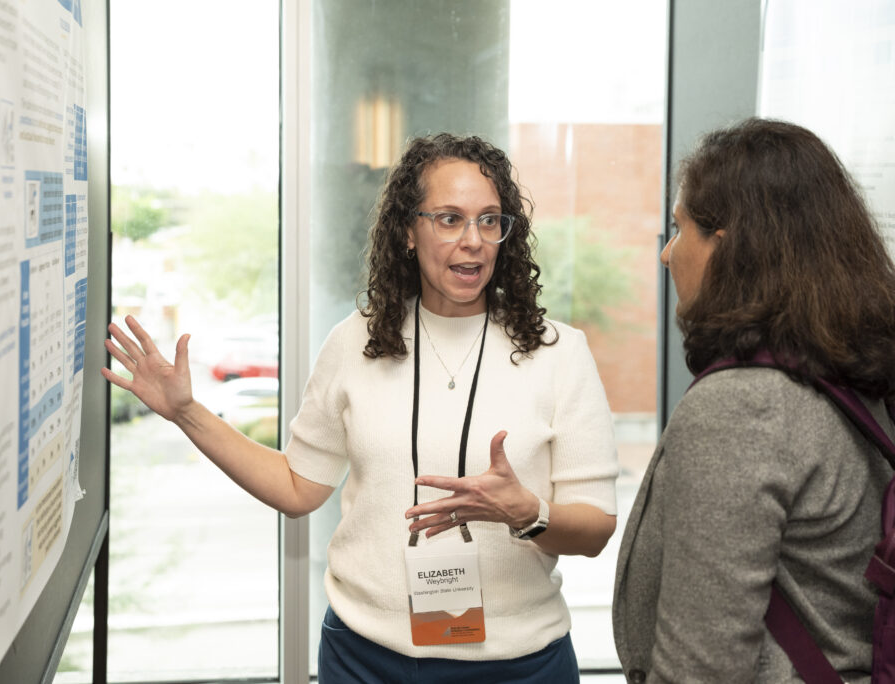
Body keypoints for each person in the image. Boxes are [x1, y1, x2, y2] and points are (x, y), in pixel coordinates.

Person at [104, 133, 619, 683]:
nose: (473, 240)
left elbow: (594, 529)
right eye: (449, 218)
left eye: (489, 220)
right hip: (365, 659)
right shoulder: (356, 342)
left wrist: (525, 511)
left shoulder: (559, 353)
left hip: (519, 667)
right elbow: (298, 487)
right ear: (407, 232)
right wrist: (188, 413)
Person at [613, 118, 895, 683]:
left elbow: (702, 670)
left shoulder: (742, 407)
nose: (668, 255)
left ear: (727, 243)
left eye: (679, 229)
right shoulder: (855, 373)